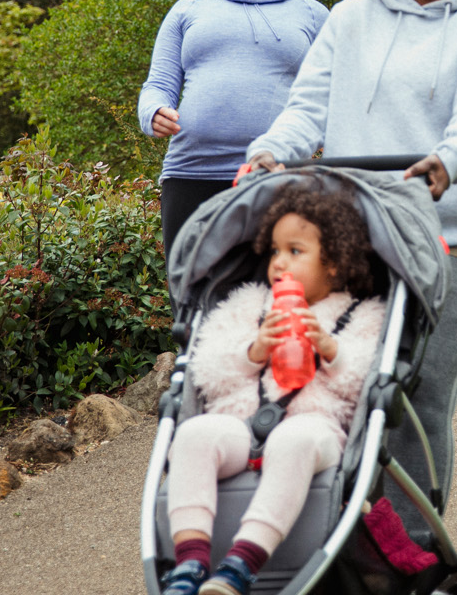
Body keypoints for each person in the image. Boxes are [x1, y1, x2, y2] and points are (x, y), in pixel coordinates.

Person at [242, 0, 457, 544]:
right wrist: (268, 153)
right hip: (356, 235)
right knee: (333, 386)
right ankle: (330, 542)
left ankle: (412, 556)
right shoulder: (352, 18)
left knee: (413, 395)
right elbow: (306, 108)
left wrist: (447, 159)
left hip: (454, 236)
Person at [158, 184, 389, 595]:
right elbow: (207, 370)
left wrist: (331, 349)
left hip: (317, 430)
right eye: (275, 251)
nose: (279, 263)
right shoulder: (251, 305)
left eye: (295, 252)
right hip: (242, 424)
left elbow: (366, 382)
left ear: (334, 264)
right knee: (192, 435)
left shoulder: (361, 314)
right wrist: (254, 349)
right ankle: (190, 562)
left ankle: (240, 564)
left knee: (294, 440)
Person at [139, 0, 329, 257]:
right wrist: (154, 112)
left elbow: (333, 99)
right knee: (193, 304)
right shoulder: (189, 9)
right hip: (190, 176)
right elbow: (158, 84)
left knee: (273, 305)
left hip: (280, 180)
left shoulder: (314, 16)